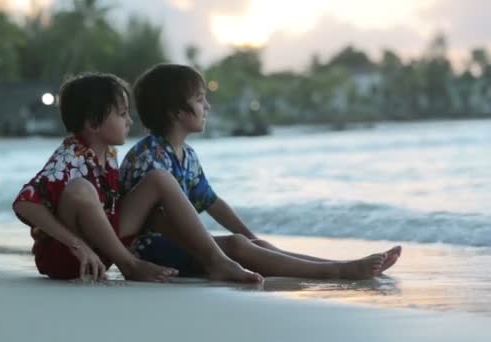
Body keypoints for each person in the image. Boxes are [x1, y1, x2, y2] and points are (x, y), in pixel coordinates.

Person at [120, 64, 402, 280]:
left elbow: (212, 202)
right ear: (176, 112)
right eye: (199, 99)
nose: (207, 106)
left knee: (252, 243)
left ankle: (334, 266)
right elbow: (156, 221)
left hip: (181, 246)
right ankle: (338, 272)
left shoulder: (187, 155)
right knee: (238, 246)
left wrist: (253, 238)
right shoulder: (149, 157)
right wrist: (223, 249)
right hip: (151, 252)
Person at [13, 72, 262, 283]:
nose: (130, 121)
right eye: (122, 115)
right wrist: (76, 244)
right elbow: (24, 202)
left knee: (160, 178)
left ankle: (215, 260)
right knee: (81, 188)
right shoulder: (71, 155)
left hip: (102, 245)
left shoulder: (109, 154)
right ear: (92, 123)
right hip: (69, 257)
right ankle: (129, 264)